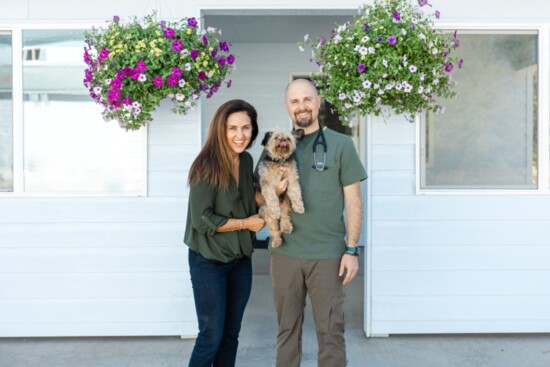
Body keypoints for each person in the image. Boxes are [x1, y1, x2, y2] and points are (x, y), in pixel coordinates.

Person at [263, 79, 368, 367]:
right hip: (285, 254)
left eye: (307, 99)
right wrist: (275, 193)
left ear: (318, 102)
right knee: (287, 331)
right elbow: (260, 198)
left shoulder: (341, 145)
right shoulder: (275, 145)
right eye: (295, 101)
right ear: (287, 106)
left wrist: (352, 250)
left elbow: (354, 201)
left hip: (328, 256)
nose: (302, 106)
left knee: (331, 332)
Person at [184, 99, 265, 367]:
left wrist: (271, 195)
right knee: (211, 337)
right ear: (221, 129)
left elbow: (245, 201)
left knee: (231, 335)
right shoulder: (206, 165)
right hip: (208, 260)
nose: (240, 135)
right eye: (233, 128)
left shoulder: (246, 160)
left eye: (246, 128)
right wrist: (245, 224)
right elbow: (202, 219)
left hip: (240, 258)